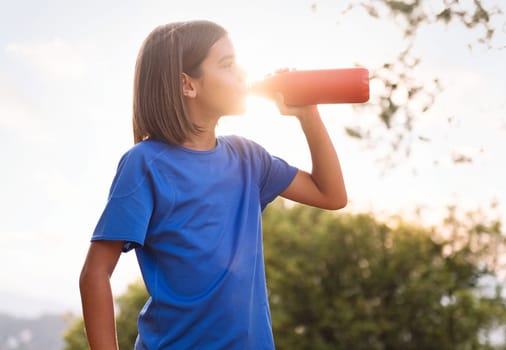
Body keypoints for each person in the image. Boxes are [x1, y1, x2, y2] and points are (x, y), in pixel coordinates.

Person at [79, 19, 347, 350]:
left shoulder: (249, 158)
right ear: (187, 84)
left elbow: (331, 194)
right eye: (227, 64)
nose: (242, 74)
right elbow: (95, 274)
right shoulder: (145, 164)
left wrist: (308, 115)